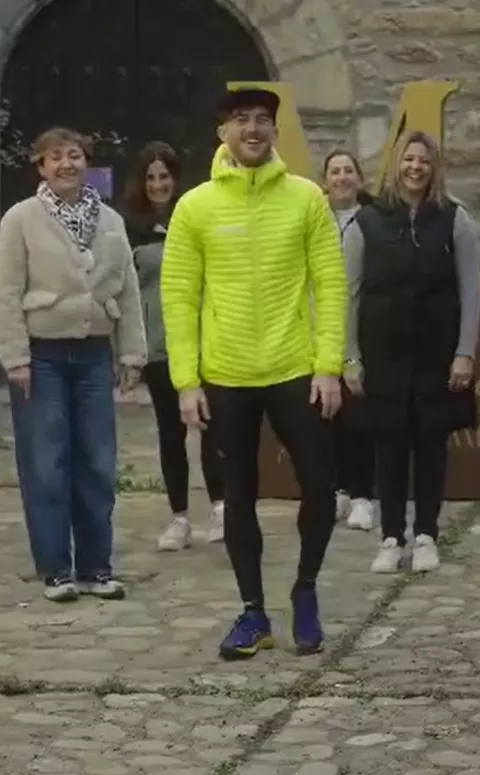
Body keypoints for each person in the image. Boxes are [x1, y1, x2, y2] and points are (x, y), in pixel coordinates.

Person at [162, 87, 346, 660]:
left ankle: (306, 590)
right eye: (241, 120)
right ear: (222, 132)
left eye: (263, 120)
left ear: (274, 130)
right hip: (226, 375)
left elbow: (331, 285)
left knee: (319, 485)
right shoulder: (194, 206)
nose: (253, 129)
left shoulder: (306, 199)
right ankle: (254, 612)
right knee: (237, 497)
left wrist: (329, 366)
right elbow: (178, 296)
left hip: (296, 369)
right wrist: (186, 381)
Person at [0, 127, 146, 602]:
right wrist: (15, 356)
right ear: (41, 167)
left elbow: (127, 289)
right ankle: (56, 569)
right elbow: (6, 292)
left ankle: (97, 567)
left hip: (91, 355)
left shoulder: (109, 221)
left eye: (75, 155)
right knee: (47, 462)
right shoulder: (20, 220)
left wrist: (131, 353)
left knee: (98, 462)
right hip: (40, 355)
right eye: (56, 157)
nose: (68, 164)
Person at [343, 132, 480, 574]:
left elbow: (471, 290)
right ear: (395, 164)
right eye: (409, 159)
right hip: (382, 355)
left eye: (424, 160)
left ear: (434, 167)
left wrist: (465, 352)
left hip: (436, 354)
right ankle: (390, 536)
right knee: (388, 448)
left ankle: (425, 535)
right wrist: (350, 357)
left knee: (430, 447)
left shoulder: (454, 218)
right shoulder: (367, 221)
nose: (416, 168)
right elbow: (348, 294)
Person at [124, 141, 226, 551]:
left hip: (201, 343)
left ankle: (221, 508)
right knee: (171, 432)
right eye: (151, 178)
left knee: (210, 427)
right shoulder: (132, 227)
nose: (158, 184)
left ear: (175, 178)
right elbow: (127, 289)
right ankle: (179, 517)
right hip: (157, 345)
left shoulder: (194, 216)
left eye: (164, 176)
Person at [324, 150, 377, 532]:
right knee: (325, 417)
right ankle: (336, 489)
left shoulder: (373, 220)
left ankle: (361, 495)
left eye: (348, 171)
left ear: (359, 178)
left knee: (359, 419)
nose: (341, 177)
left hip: (361, 329)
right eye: (334, 171)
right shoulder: (313, 217)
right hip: (320, 331)